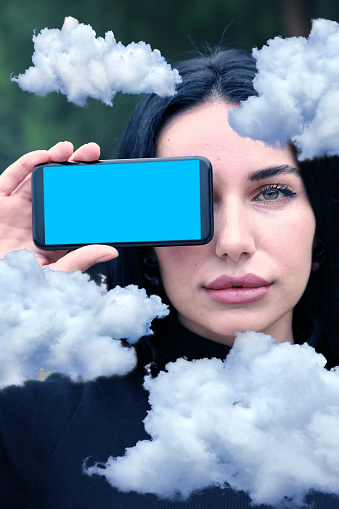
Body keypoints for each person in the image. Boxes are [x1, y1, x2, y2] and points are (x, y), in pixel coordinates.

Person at [1, 47, 339, 509]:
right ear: (145, 243)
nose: (233, 241)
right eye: (194, 200)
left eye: (273, 192)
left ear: (320, 222)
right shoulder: (32, 428)